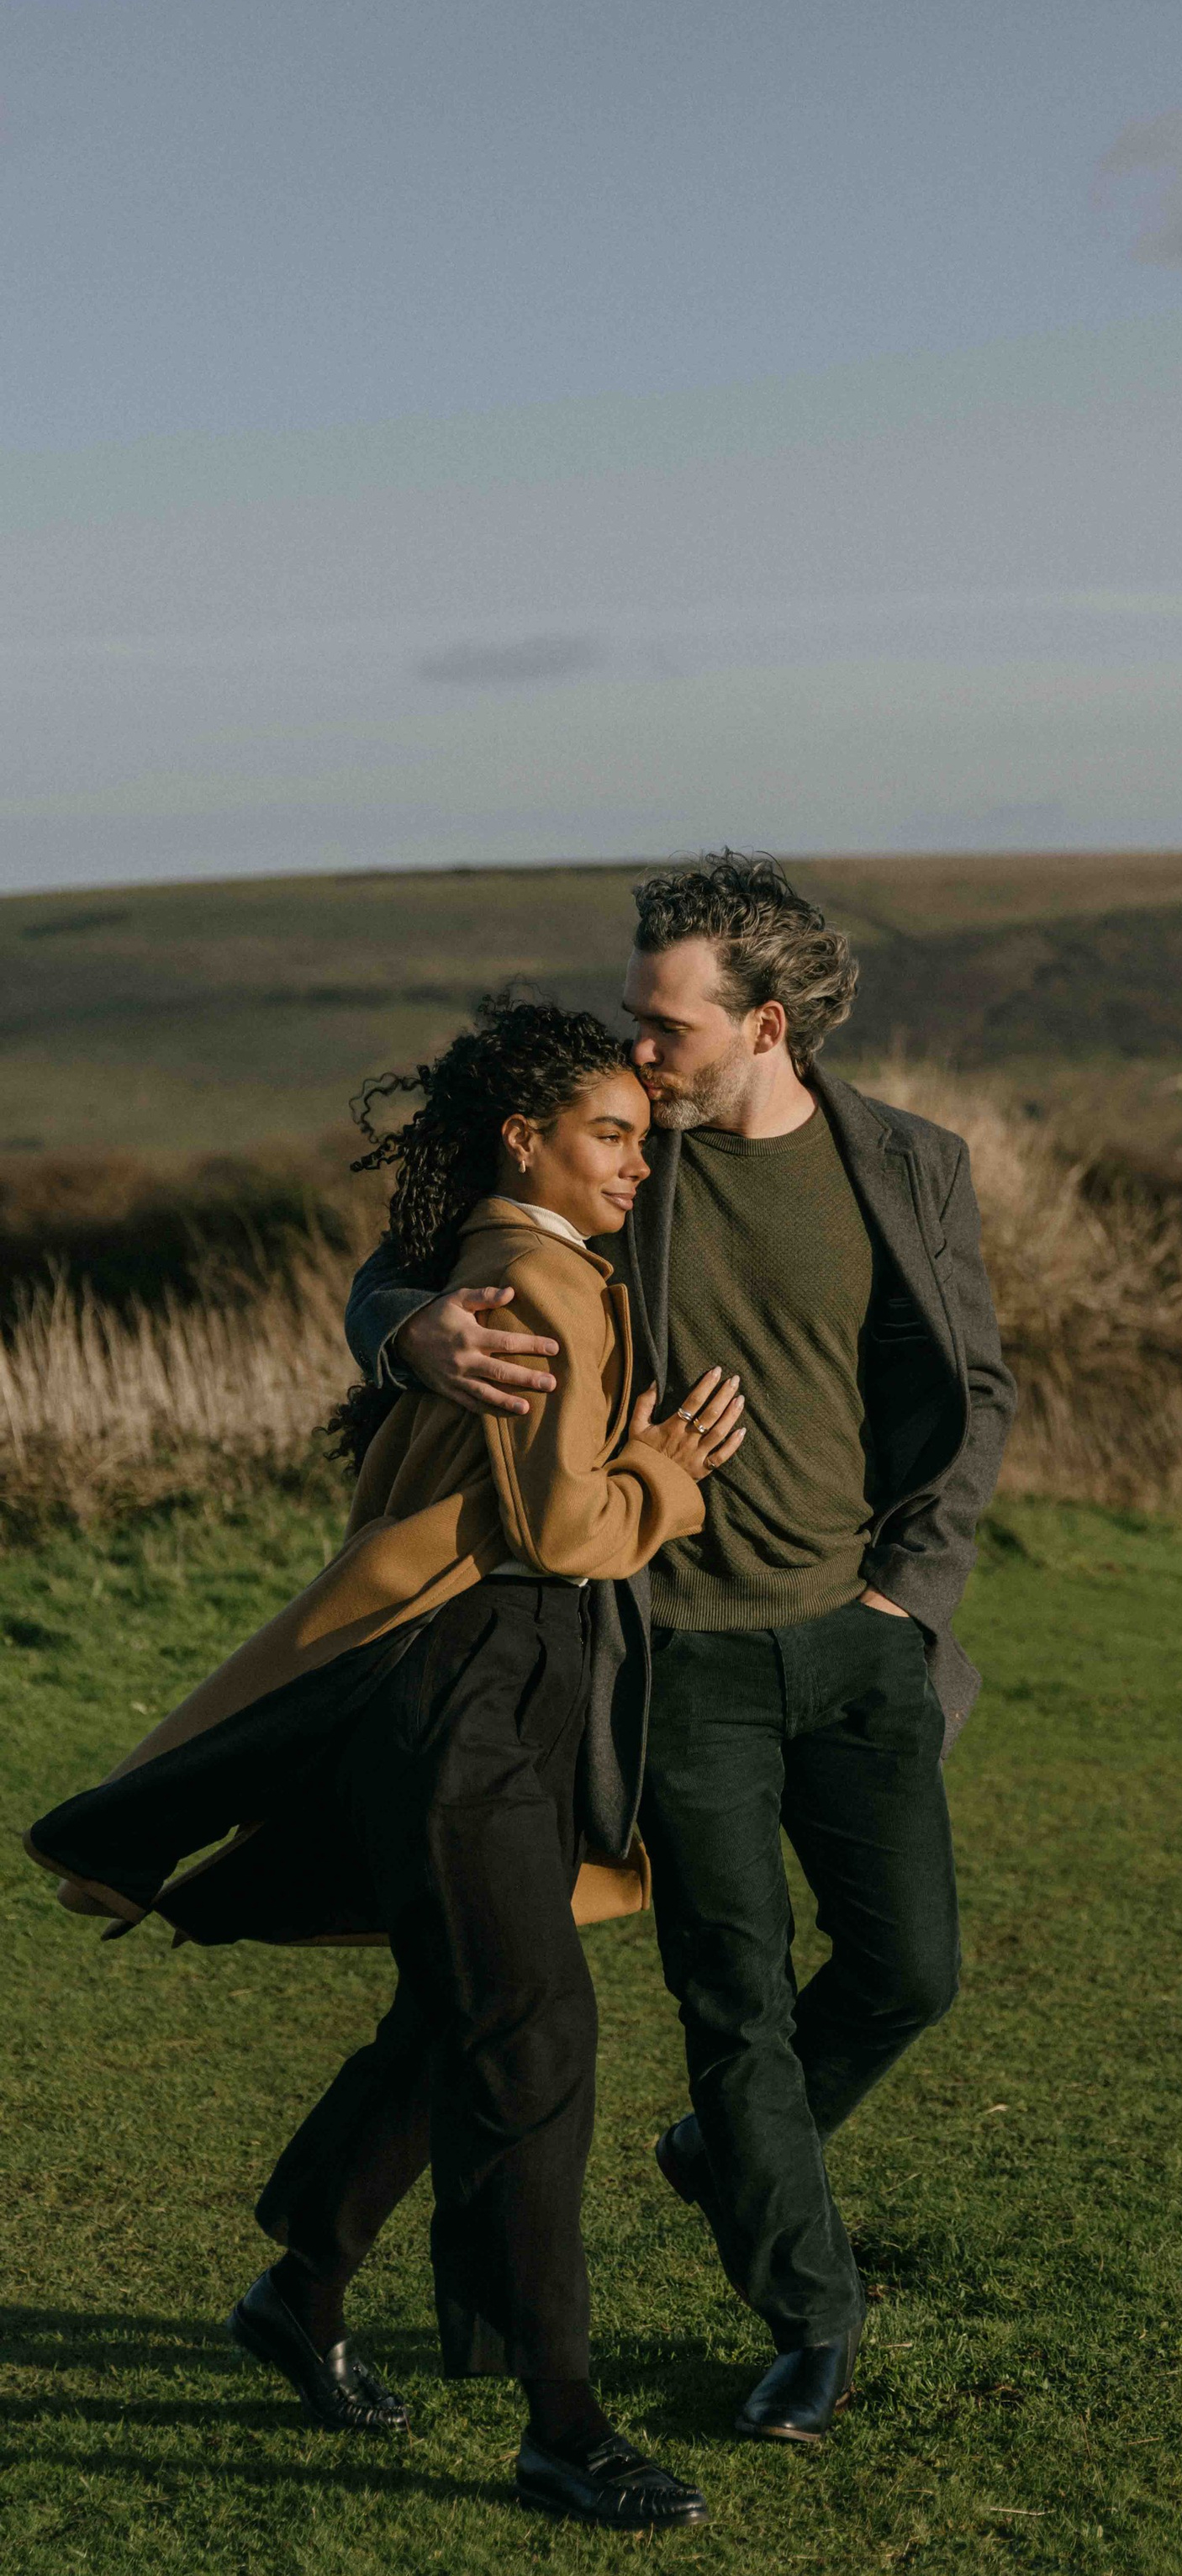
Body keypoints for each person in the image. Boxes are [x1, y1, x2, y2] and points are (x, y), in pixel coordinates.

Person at [25, 997, 745, 2532]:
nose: (636, 1161)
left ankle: (300, 2289)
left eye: (639, 1134)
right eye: (607, 1136)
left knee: (456, 2015)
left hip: (513, 1687)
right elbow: (562, 1532)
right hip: (467, 1695)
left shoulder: (510, 1263)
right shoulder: (537, 1273)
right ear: (523, 1137)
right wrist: (672, 1480)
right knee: (532, 2039)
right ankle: (562, 2422)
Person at [346, 853, 1016, 2444]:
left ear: (765, 1024)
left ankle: (726, 2157)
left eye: (666, 1025)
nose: (634, 1051)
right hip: (674, 1657)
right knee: (739, 2007)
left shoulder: (907, 1163)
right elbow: (411, 1258)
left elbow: (976, 1392)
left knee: (912, 1973)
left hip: (861, 1644)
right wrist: (406, 1328)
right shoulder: (616, 1153)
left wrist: (908, 1596)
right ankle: (812, 2317)